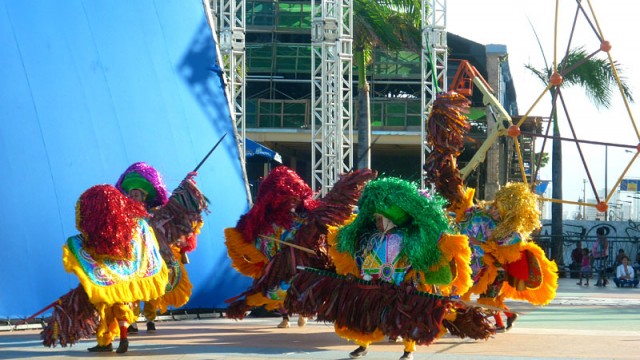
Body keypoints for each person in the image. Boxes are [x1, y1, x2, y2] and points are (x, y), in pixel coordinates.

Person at [286, 177, 490, 360]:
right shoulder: (371, 238)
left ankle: (408, 350)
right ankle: (362, 345)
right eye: (376, 219)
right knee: (365, 317)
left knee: (404, 319)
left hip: (399, 289)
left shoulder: (407, 239)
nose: (376, 222)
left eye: (380, 219)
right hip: (373, 286)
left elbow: (419, 259)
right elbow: (363, 258)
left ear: (391, 220)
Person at [224, 166, 376, 328]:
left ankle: (305, 313)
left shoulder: (308, 216)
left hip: (309, 264)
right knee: (274, 290)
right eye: (287, 198)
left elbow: (329, 213)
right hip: (279, 268)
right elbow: (246, 243)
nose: (292, 201)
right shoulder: (262, 225)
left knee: (309, 287)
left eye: (295, 197)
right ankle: (285, 317)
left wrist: (345, 187)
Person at [41, 185, 169, 353]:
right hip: (124, 280)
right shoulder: (135, 227)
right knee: (120, 306)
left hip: (107, 280)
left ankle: (107, 341)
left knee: (106, 310)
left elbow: (83, 246)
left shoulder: (99, 233)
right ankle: (119, 338)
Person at [115, 162, 209, 334]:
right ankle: (133, 321)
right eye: (131, 193)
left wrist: (185, 185)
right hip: (132, 259)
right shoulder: (123, 217)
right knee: (133, 292)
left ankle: (150, 319)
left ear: (144, 197)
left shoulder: (155, 214)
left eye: (137, 193)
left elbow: (174, 209)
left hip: (152, 257)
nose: (133, 196)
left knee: (152, 291)